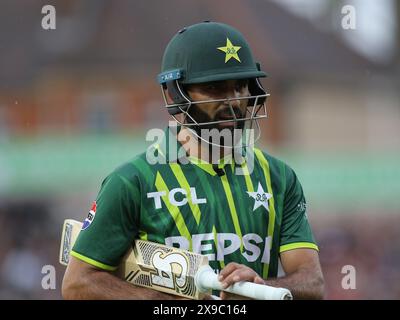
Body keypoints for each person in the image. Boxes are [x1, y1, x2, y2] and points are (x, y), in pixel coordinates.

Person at [62, 21, 324, 300]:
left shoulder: (279, 177)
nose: (233, 101)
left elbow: (312, 283)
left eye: (240, 86)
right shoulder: (132, 181)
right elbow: (78, 283)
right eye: (214, 88)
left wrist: (260, 288)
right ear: (176, 94)